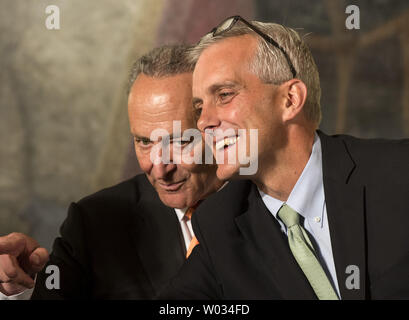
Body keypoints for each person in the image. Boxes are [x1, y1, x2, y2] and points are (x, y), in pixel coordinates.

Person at [160, 16, 409, 300]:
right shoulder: (221, 225)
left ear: (290, 99)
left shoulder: (400, 172)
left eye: (225, 94)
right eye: (200, 107)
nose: (203, 122)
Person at [0, 45, 223, 299]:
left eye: (180, 141)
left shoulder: (270, 205)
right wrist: (17, 289)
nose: (159, 168)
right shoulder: (95, 223)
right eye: (144, 142)